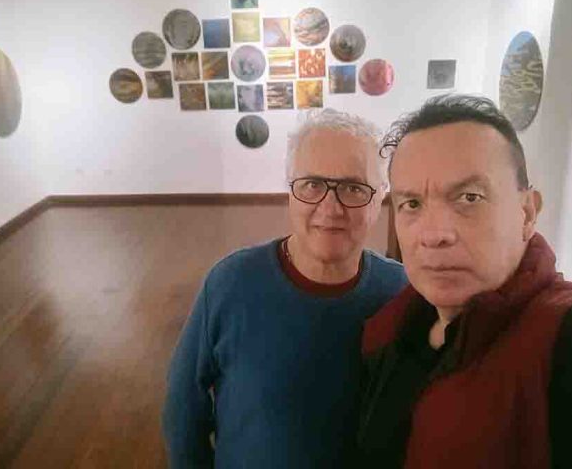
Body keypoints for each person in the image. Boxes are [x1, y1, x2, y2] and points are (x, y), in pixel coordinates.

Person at [358, 95, 572, 468]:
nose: (433, 235)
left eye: (469, 197)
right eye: (412, 204)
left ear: (527, 213)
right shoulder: (392, 328)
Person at [163, 109, 408, 469]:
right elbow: (184, 404)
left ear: (380, 196)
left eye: (354, 188)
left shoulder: (402, 293)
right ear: (290, 190)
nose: (330, 208)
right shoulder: (231, 283)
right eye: (312, 184)